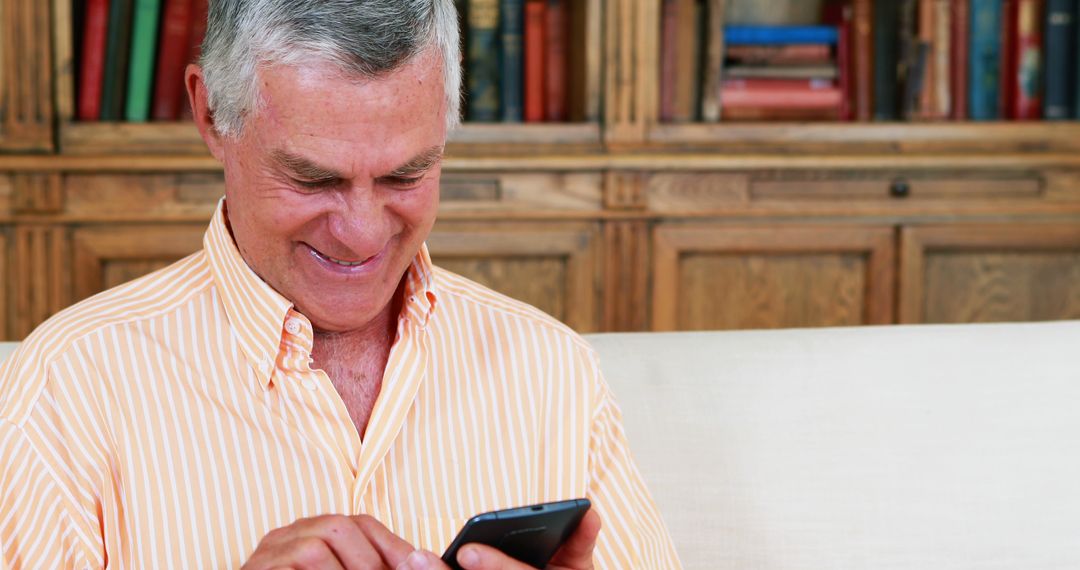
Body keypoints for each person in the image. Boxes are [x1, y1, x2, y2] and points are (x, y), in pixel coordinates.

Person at [0, 1, 680, 568]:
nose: (360, 234)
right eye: (313, 179)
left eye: (405, 176)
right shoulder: (68, 385)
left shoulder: (553, 371)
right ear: (210, 116)